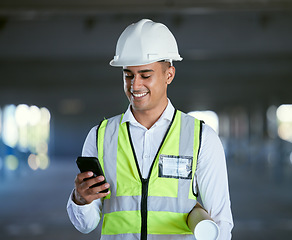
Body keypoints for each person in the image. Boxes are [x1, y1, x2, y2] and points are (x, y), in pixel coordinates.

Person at [67, 19, 233, 240]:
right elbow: (86, 225)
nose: (135, 85)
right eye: (128, 75)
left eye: (145, 75)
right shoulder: (100, 136)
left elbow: (220, 222)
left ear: (169, 75)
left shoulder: (201, 138)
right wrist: (81, 199)